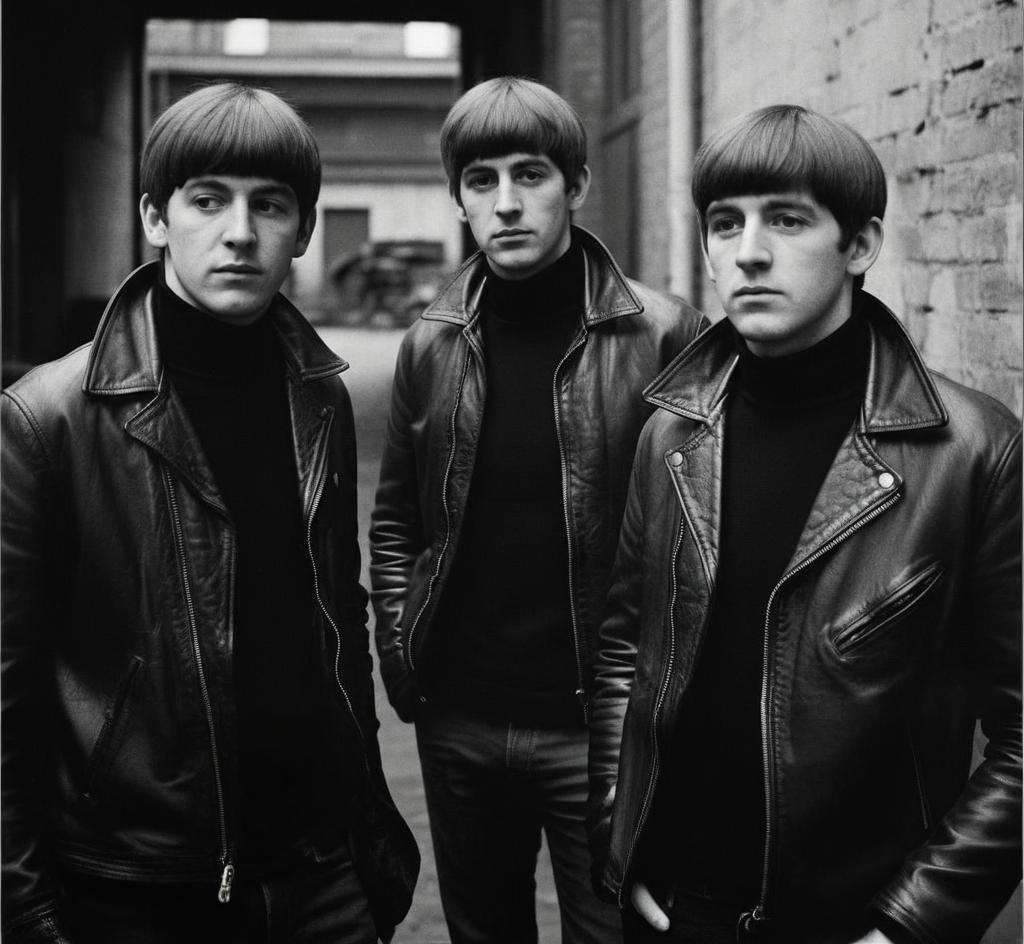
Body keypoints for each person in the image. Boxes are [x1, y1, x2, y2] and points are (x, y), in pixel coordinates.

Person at [588, 104, 1022, 944]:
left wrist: (911, 927)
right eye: (725, 223)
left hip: (857, 920)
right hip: (679, 909)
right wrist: (622, 833)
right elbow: (623, 651)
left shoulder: (974, 452)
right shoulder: (671, 433)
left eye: (787, 220)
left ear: (860, 245)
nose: (748, 251)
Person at [2, 82, 418, 944]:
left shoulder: (319, 399)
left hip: (319, 870)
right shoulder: (50, 418)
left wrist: (364, 829)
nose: (240, 232)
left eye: (269, 205)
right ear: (156, 218)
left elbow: (336, 617)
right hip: (138, 884)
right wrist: (23, 902)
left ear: (303, 230)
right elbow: (6, 685)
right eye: (207, 201)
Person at [369, 76, 705, 944]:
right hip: (461, 724)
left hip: (601, 732)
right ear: (458, 200)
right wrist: (405, 662)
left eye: (532, 176)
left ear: (577, 186)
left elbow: (703, 534)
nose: (507, 203)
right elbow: (399, 519)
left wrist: (659, 712)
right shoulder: (430, 343)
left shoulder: (665, 335)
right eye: (482, 181)